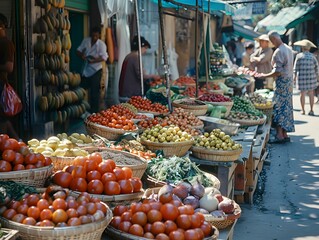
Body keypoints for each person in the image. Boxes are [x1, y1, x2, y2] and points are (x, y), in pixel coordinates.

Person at [259, 31, 295, 144]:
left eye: (271, 41)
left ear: (274, 39)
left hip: (281, 83)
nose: (271, 43)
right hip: (288, 82)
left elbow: (277, 71)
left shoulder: (278, 52)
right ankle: (284, 133)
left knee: (279, 107)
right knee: (287, 107)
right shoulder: (288, 49)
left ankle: (279, 134)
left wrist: (264, 75)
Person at [119, 36, 160, 102]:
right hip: (129, 95)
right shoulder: (135, 57)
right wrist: (153, 76)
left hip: (124, 93)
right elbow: (141, 76)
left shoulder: (129, 56)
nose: (145, 51)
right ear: (140, 47)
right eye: (145, 48)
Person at [77, 26, 108, 114]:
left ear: (99, 35)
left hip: (96, 70)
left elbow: (104, 57)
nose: (94, 38)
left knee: (94, 93)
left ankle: (94, 113)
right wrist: (82, 55)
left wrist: (94, 60)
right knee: (81, 90)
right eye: (93, 36)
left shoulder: (101, 44)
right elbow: (78, 50)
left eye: (96, 36)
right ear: (91, 35)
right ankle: (81, 111)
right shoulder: (86, 41)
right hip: (86, 70)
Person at [0, 13, 19, 140]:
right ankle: (19, 144)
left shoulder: (6, 43)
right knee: (2, 119)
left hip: (0, 84)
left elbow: (9, 67)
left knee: (2, 120)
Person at [293, 39, 319, 116]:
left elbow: (295, 68)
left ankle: (303, 110)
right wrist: (317, 77)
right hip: (311, 77)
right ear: (309, 48)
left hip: (301, 77)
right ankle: (311, 110)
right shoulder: (313, 56)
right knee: (311, 93)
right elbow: (317, 68)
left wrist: (294, 78)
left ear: (302, 48)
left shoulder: (299, 56)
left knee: (302, 93)